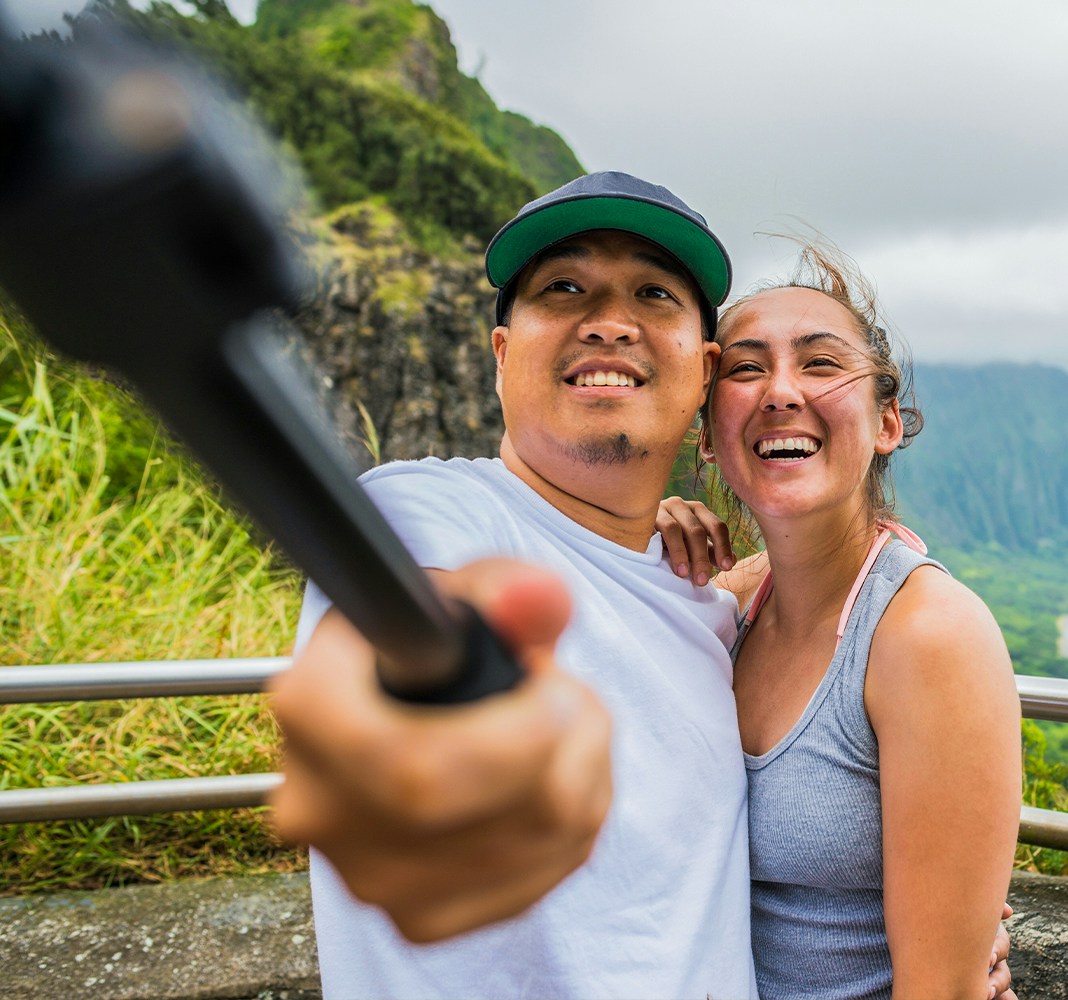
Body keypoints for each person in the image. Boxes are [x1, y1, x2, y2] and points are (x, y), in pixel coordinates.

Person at [269, 173, 1017, 999]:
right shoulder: (420, 513)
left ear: (698, 379)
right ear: (503, 352)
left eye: (654, 294)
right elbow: (402, 651)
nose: (611, 321)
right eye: (564, 288)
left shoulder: (705, 604)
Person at [657, 241, 1021, 998]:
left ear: (887, 422)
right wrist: (642, 537)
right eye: (746, 369)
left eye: (820, 364)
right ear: (709, 436)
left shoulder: (926, 635)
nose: (780, 391)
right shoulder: (723, 607)